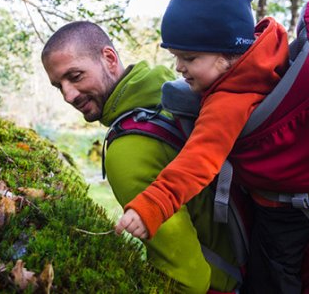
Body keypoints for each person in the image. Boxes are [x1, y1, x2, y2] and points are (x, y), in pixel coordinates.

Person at [114, 0, 309, 294]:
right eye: (177, 56)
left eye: (189, 58)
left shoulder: (228, 99)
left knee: (271, 283)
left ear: (226, 52)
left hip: (283, 213)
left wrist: (152, 206)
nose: (179, 67)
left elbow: (199, 162)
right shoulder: (263, 60)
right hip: (296, 203)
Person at [42, 21, 238, 293]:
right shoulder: (169, 93)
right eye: (58, 86)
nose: (68, 95)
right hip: (255, 259)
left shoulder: (127, 151)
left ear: (109, 58)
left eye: (75, 76)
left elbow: (187, 279)